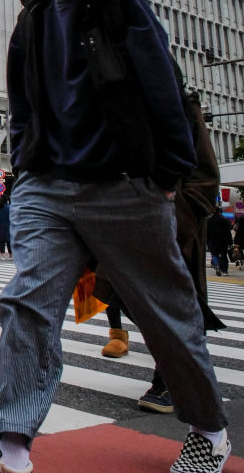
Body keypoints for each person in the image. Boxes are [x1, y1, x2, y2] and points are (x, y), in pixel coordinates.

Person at [0, 0, 229, 473]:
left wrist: (168, 174)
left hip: (123, 184)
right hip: (46, 185)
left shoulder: (121, 0)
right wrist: (24, 168)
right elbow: (23, 104)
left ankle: (209, 429)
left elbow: (162, 87)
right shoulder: (34, 16)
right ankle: (12, 452)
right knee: (27, 302)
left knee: (165, 311)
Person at [96, 89, 226, 412]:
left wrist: (178, 213)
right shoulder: (122, 105)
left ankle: (174, 383)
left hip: (175, 223)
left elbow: (206, 179)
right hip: (132, 220)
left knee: (176, 305)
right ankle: (173, 370)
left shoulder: (182, 104)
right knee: (120, 290)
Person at [206, 208, 232, 277]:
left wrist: (206, 241)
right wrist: (230, 242)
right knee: (224, 255)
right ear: (220, 212)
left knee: (214, 254)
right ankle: (225, 271)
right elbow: (228, 232)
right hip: (223, 241)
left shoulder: (209, 220)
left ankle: (217, 265)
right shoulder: (225, 220)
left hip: (212, 241)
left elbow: (206, 232)